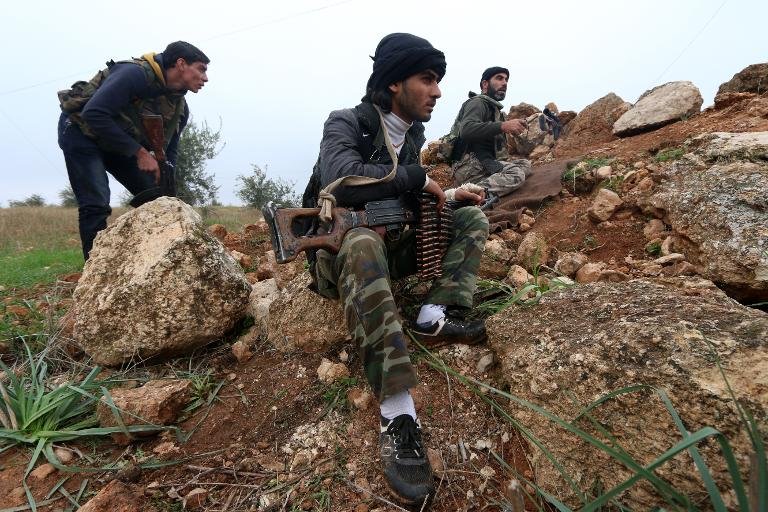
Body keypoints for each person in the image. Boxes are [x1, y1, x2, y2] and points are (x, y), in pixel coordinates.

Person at [310, 33, 489, 505]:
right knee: (364, 240)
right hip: (345, 258)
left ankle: (433, 313)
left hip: (392, 246)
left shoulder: (411, 136)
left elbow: (403, 198)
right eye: (427, 79)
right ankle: (397, 410)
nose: (437, 91)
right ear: (393, 84)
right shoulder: (346, 122)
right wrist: (420, 177)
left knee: (470, 216)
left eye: (438, 81)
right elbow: (342, 180)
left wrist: (446, 197)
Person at [57, 41, 209, 259]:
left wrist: (166, 179)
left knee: (158, 199)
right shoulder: (134, 74)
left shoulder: (180, 107)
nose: (205, 78)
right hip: (82, 133)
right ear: (181, 64)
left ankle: (155, 260)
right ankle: (94, 271)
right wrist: (139, 153)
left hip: (118, 142)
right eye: (201, 69)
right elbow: (94, 113)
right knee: (96, 202)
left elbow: (170, 151)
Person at [449, 66, 533, 202]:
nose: (504, 83)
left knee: (525, 165)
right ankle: (470, 194)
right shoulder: (477, 103)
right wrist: (503, 126)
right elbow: (466, 130)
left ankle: (482, 186)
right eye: (499, 78)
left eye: (506, 80)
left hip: (486, 162)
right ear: (485, 84)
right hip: (470, 166)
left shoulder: (494, 109)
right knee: (516, 173)